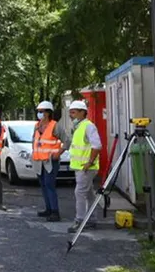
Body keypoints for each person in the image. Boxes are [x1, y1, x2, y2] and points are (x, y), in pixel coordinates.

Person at [67, 99, 102, 233]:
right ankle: (92, 219)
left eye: (74, 112)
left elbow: (97, 145)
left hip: (86, 167)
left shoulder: (88, 126)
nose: (71, 115)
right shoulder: (79, 127)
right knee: (88, 193)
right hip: (81, 167)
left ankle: (79, 221)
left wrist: (89, 162)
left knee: (79, 192)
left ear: (83, 113)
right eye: (70, 112)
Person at [32, 101, 69, 222]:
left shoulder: (55, 126)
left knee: (49, 185)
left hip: (50, 161)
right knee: (43, 186)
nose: (39, 114)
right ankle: (48, 209)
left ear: (48, 113)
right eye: (38, 111)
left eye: (41, 111)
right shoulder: (37, 126)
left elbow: (67, 141)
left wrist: (58, 153)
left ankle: (55, 212)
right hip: (39, 161)